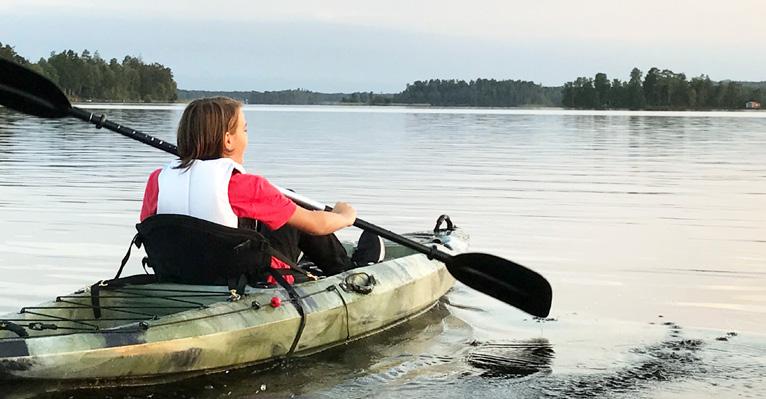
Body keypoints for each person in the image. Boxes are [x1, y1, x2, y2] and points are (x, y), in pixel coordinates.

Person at [139, 97, 383, 284]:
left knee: (283, 201)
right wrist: (343, 216)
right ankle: (345, 271)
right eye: (244, 130)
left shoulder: (156, 180)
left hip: (180, 275)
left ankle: (315, 263)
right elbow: (316, 225)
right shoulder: (248, 186)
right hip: (245, 280)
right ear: (228, 140)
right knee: (295, 207)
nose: (247, 137)